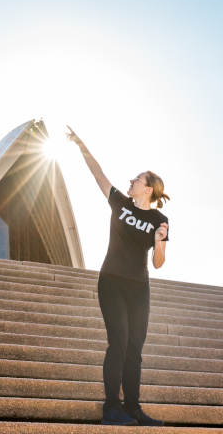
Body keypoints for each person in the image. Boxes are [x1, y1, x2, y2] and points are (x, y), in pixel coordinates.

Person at [66, 125, 169, 427]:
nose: (131, 181)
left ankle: (133, 408)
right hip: (111, 281)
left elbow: (159, 263)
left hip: (139, 287)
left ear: (148, 188)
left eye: (137, 180)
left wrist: (160, 241)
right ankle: (111, 407)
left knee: (135, 349)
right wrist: (81, 145)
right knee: (119, 342)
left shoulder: (159, 219)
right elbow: (99, 175)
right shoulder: (120, 204)